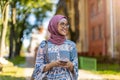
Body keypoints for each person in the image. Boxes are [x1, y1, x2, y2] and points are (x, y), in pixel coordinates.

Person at [32, 14, 78, 80]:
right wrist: (52, 64)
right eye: (62, 24)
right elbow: (38, 69)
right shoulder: (44, 45)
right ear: (54, 25)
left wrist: (70, 65)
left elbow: (75, 69)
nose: (65, 27)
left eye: (66, 24)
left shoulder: (71, 45)